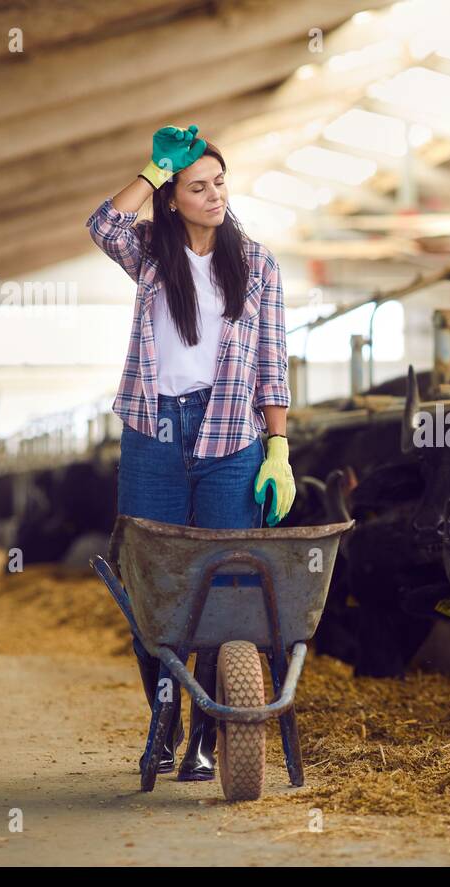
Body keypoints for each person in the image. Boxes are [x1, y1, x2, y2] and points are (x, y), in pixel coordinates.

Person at [85, 124, 296, 781]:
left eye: (220, 183)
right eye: (197, 186)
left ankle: (205, 738)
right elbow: (102, 224)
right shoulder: (150, 251)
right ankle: (163, 722)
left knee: (225, 588)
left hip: (230, 435)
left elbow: (273, 364)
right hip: (153, 432)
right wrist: (153, 166)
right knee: (155, 587)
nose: (213, 195)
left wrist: (279, 448)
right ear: (172, 198)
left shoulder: (257, 263)